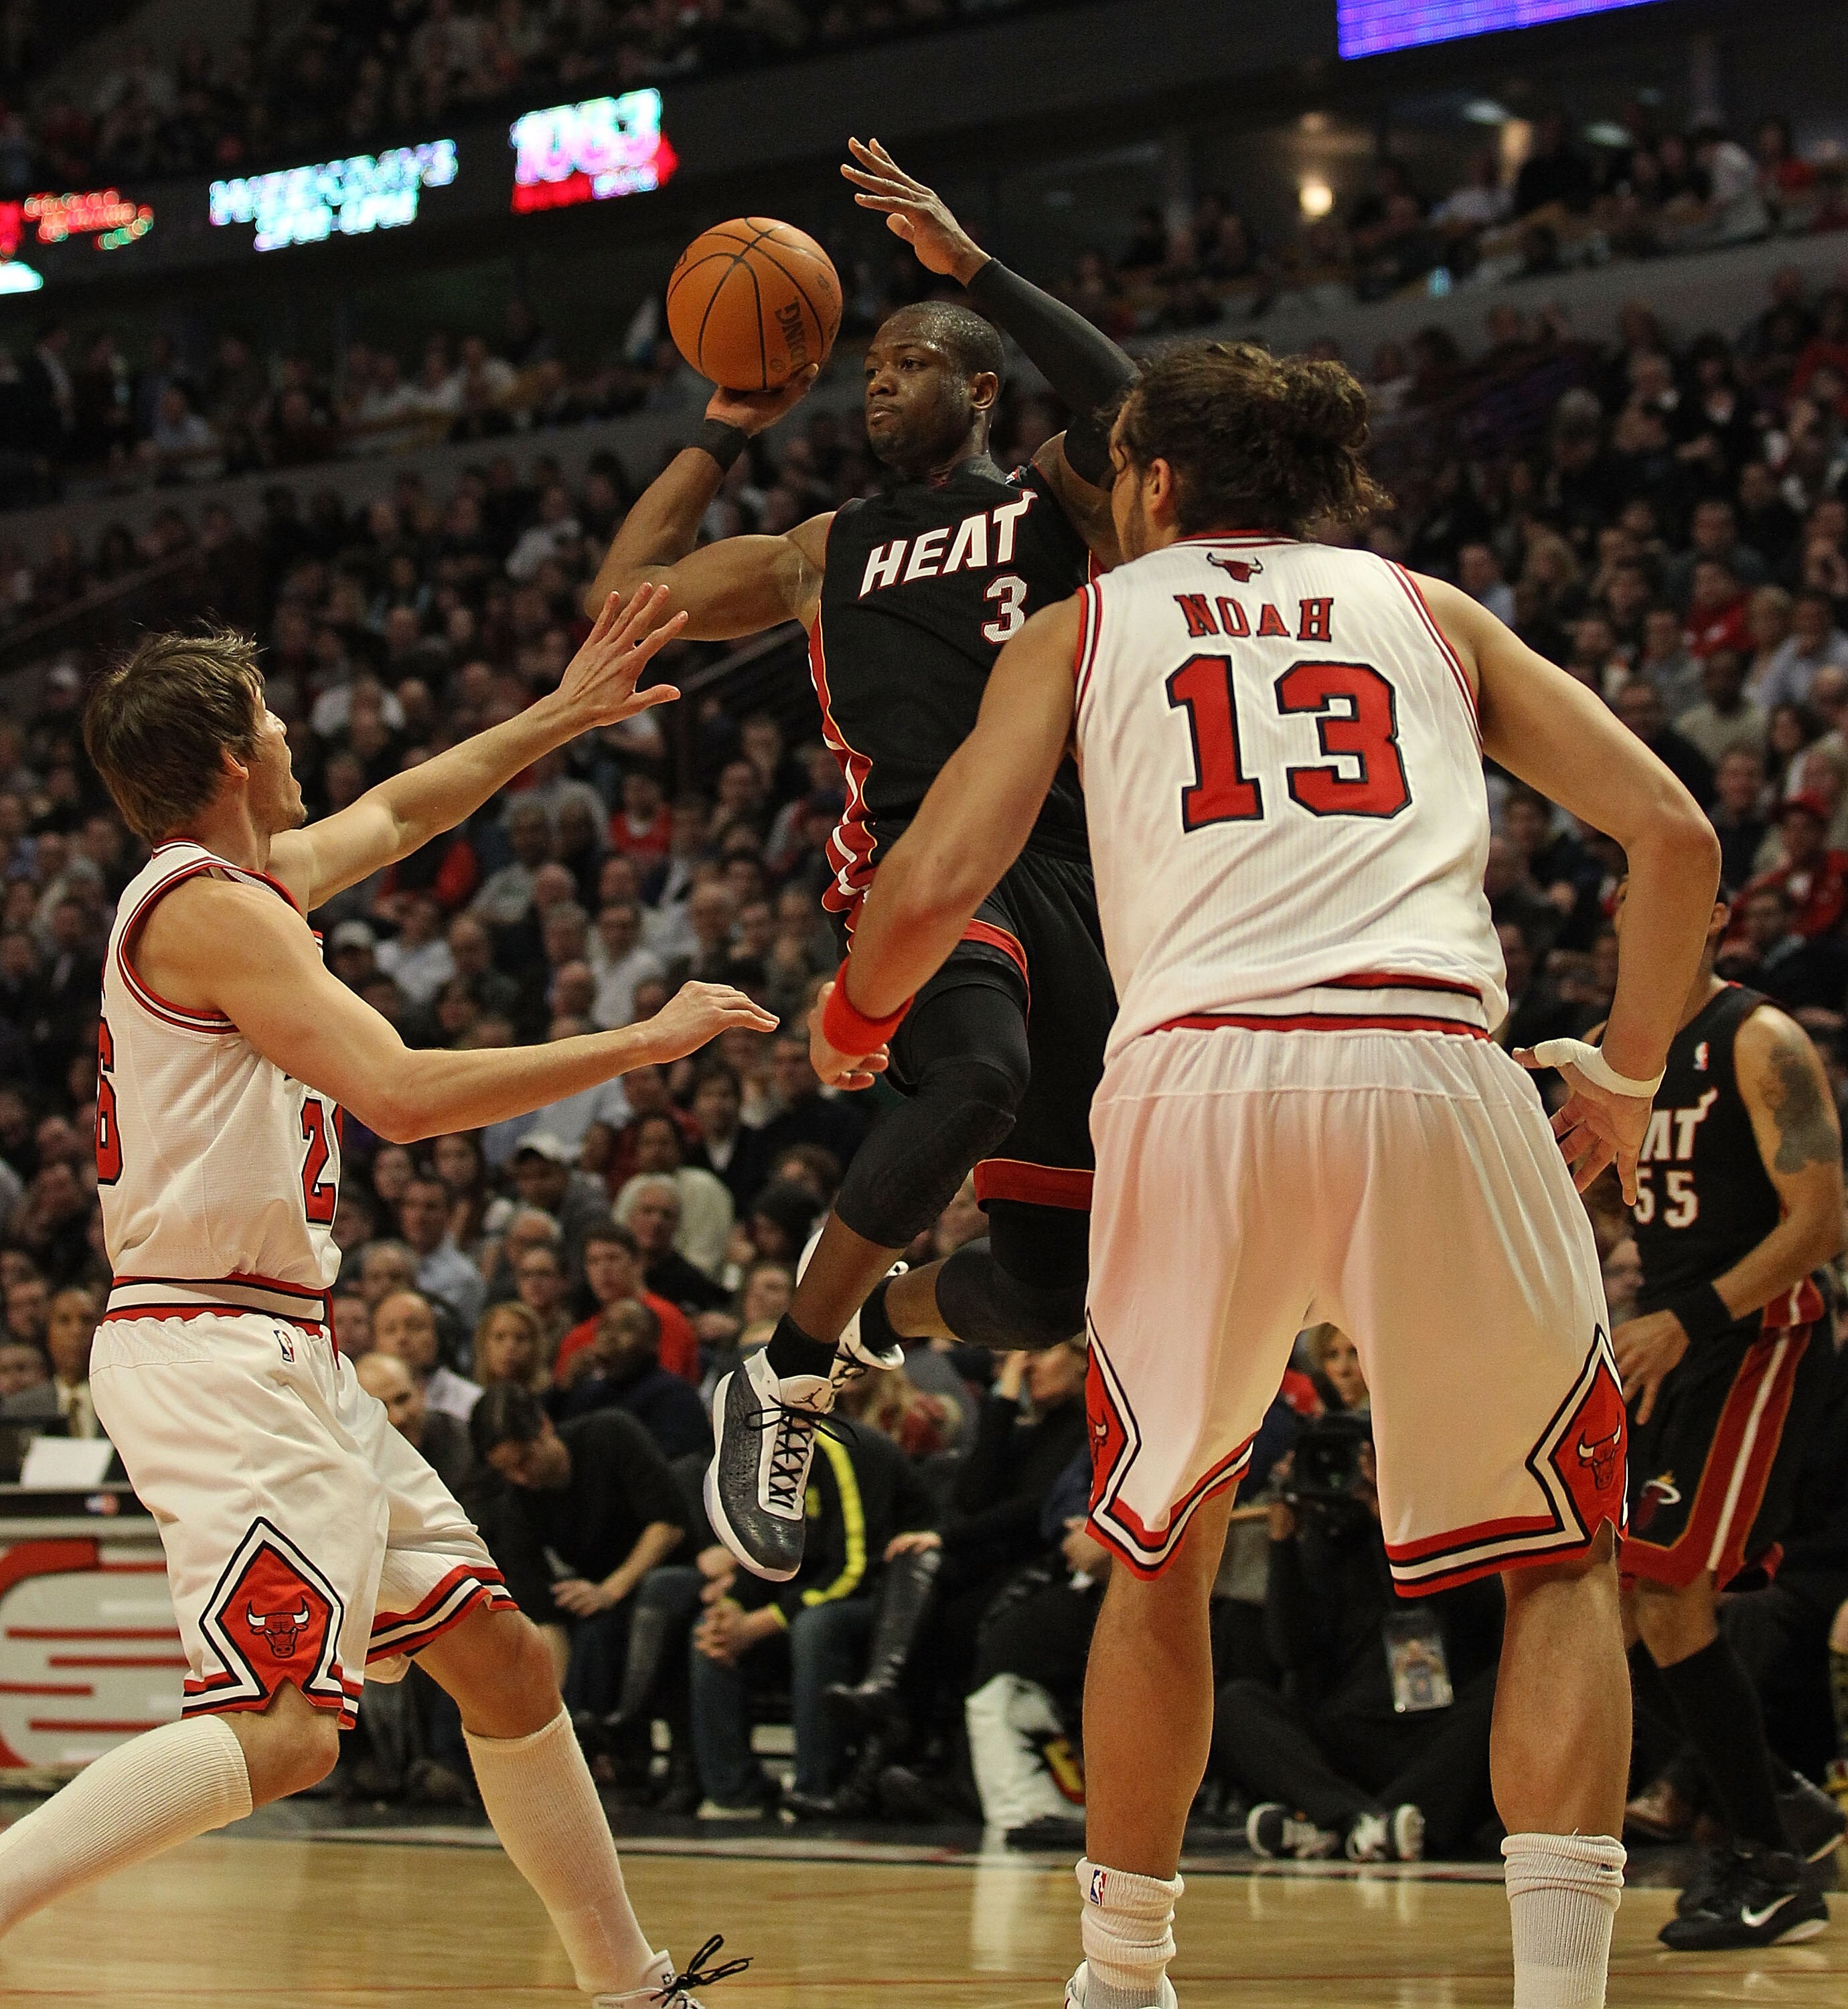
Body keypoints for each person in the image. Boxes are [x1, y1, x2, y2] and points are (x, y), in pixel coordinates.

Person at [809, 338, 1723, 2009]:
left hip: (1197, 1076)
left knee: (1163, 1548)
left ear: (1154, 483)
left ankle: (1121, 1976)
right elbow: (1673, 834)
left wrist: (858, 1005)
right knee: (1560, 1550)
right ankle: (1560, 1993)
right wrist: (1631, 1065)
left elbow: (942, 864)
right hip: (1434, 1062)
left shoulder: (1090, 618)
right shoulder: (1436, 615)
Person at [0, 605, 774, 2004]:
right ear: (236, 756)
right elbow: (405, 1098)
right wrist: (644, 1041)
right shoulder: (209, 911)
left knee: (504, 1662)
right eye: (273, 713)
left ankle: (627, 1987)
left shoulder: (238, 884)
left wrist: (561, 711)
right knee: (291, 1734)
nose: (297, 731)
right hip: (209, 1341)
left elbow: (405, 810)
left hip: (278, 1341)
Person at [585, 138, 1135, 1584]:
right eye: (870, 365)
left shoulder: (1049, 501)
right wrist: (723, 424)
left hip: (1081, 869)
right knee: (973, 1074)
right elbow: (626, 604)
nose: (878, 380)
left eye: (908, 359)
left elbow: (1142, 413)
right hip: (916, 863)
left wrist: (982, 274)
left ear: (981, 387)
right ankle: (784, 1371)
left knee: (1043, 1286)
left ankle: (884, 1316)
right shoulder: (824, 546)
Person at [1608, 886, 1845, 1945]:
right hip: (1674, 1345)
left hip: (1757, 1339)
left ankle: (1766, 1860)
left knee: (1668, 1593)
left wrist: (1687, 1317)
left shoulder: (1759, 1037)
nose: (1637, 906)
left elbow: (1822, 1222)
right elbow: (1651, 1203)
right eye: (1627, 890)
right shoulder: (1627, 1056)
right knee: (1601, 1607)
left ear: (1717, 915)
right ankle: (1772, 1796)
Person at [470, 1388, 690, 1721]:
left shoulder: (610, 1434)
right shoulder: (516, 1501)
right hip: (599, 1595)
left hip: (669, 1573)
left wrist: (611, 1589)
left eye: (525, 1460)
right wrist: (553, 1712)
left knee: (599, 1635)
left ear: (544, 1426)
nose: (521, 1477)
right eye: (507, 1471)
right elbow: (542, 1609)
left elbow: (668, 1524)